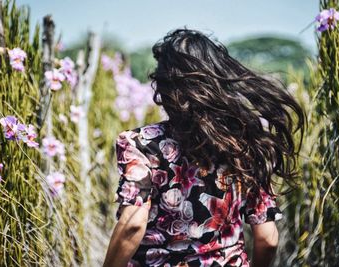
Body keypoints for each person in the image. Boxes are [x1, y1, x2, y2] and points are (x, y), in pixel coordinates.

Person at [103, 28, 306, 267]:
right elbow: (268, 239)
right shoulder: (246, 146)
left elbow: (133, 225)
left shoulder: (141, 144)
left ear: (166, 87)